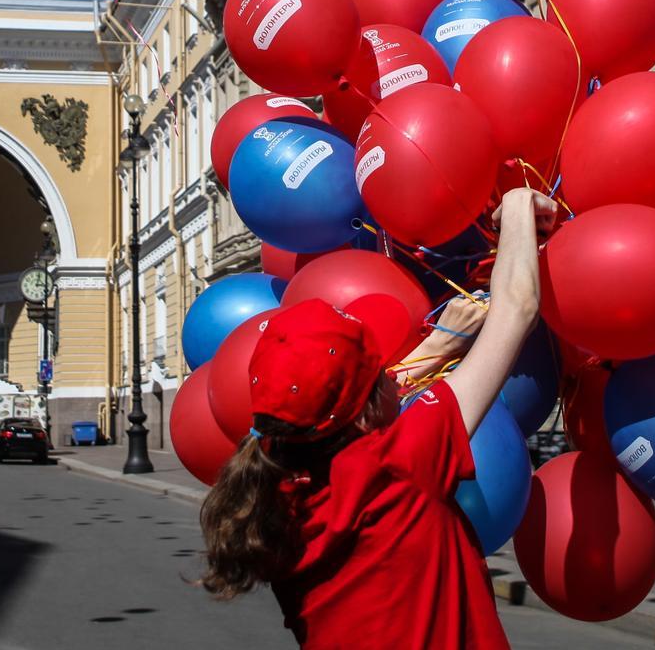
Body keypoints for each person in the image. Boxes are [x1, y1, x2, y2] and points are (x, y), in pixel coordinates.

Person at [199, 188, 556, 650]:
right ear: (365, 414)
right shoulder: (401, 462)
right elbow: (517, 308)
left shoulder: (271, 490)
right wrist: (515, 209)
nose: (391, 374)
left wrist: (435, 349)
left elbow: (332, 404)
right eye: (377, 370)